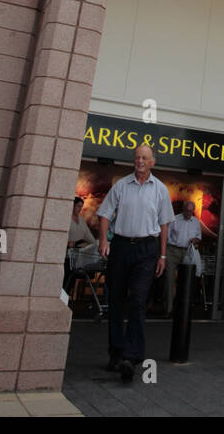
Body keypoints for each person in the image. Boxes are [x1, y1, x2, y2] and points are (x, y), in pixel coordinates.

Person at [96, 144, 173, 383]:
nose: (140, 161)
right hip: (120, 246)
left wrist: (162, 256)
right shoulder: (121, 185)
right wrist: (103, 242)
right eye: (137, 157)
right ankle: (116, 355)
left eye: (144, 158)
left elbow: (164, 226)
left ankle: (132, 357)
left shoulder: (160, 189)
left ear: (152, 162)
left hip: (147, 250)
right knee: (116, 301)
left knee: (138, 301)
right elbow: (105, 214)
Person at [163, 200, 202, 315]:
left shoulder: (196, 222)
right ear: (183, 209)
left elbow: (199, 237)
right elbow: (166, 236)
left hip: (187, 252)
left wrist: (195, 240)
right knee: (169, 280)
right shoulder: (174, 219)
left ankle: (182, 309)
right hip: (172, 250)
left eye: (191, 211)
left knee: (185, 280)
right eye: (187, 211)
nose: (189, 213)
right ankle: (168, 309)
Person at [63, 195, 97, 290]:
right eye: (78, 206)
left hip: (76, 255)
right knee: (65, 277)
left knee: (72, 279)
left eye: (81, 207)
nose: (79, 209)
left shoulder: (81, 220)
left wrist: (96, 244)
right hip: (66, 254)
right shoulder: (66, 218)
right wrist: (67, 243)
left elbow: (88, 236)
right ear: (72, 206)